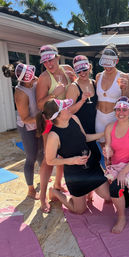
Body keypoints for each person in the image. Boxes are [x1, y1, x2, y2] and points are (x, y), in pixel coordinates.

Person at [36, 98, 111, 214]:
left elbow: (85, 137)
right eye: (64, 108)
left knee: (108, 196)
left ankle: (90, 190)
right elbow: (50, 161)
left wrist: (105, 133)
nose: (68, 109)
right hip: (75, 173)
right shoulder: (53, 136)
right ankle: (54, 192)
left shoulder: (74, 118)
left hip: (91, 166)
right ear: (58, 115)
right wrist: (72, 160)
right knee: (79, 210)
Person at [36, 44, 76, 213]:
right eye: (45, 62)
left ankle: (58, 184)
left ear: (57, 57)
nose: (49, 64)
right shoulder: (44, 78)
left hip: (65, 120)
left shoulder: (67, 70)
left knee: (64, 154)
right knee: (48, 160)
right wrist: (54, 93)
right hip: (51, 122)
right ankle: (43, 196)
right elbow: (40, 104)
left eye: (51, 60)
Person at [103, 96, 129, 233]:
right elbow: (109, 149)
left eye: (125, 110)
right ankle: (123, 200)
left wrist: (123, 172)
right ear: (115, 111)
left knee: (115, 188)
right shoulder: (109, 127)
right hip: (115, 167)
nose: (121, 112)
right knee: (110, 191)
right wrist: (107, 153)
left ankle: (121, 218)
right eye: (118, 109)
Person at [2, 62, 43, 199]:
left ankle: (43, 176)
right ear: (24, 80)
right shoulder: (20, 93)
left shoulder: (33, 79)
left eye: (33, 77)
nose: (34, 80)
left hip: (38, 122)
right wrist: (43, 116)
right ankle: (31, 189)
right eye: (30, 79)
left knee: (41, 153)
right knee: (31, 156)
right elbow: (25, 119)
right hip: (27, 126)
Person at [66, 55, 101, 163]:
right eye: (79, 71)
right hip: (80, 128)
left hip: (93, 126)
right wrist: (81, 101)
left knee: (95, 157)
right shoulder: (73, 87)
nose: (82, 73)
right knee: (89, 158)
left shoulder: (94, 83)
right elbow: (69, 111)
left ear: (89, 67)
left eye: (84, 69)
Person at [96, 43, 129, 144]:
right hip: (99, 117)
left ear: (116, 61)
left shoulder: (123, 76)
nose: (108, 67)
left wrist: (123, 88)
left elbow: (127, 101)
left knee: (115, 146)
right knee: (102, 146)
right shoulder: (98, 76)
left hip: (115, 117)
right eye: (105, 63)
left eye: (111, 63)